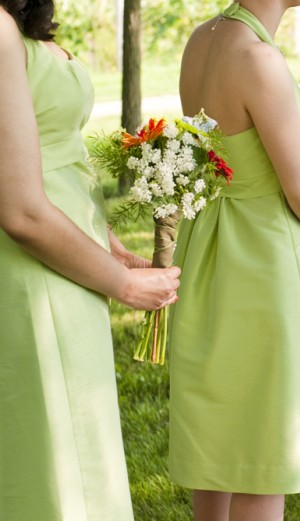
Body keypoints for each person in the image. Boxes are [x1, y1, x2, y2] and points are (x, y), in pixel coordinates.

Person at [167, 1, 300, 519]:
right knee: (264, 446)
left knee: (221, 435)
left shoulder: (202, 38)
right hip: (264, 254)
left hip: (210, 243)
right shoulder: (257, 57)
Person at [0, 2, 181, 519]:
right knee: (49, 459)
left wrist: (107, 244)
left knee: (77, 445)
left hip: (65, 256)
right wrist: (121, 286)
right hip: (31, 270)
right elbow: (20, 210)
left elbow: (54, 154)